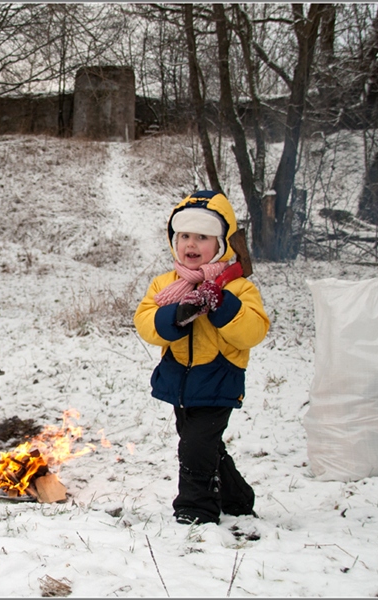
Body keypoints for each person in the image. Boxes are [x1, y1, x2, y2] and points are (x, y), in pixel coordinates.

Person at [133, 190, 270, 525]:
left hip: (219, 378)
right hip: (179, 380)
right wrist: (176, 315)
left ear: (221, 243)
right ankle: (237, 497)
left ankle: (196, 509)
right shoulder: (165, 285)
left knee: (195, 446)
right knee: (205, 446)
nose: (191, 244)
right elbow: (146, 324)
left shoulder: (237, 288)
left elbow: (253, 331)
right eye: (184, 236)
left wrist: (221, 304)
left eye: (202, 237)